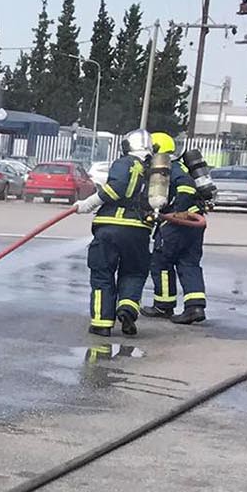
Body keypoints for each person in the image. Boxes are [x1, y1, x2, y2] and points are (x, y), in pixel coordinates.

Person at [76, 129, 155, 337]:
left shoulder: (125, 163)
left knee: (103, 275)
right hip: (139, 231)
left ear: (127, 146)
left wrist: (88, 204)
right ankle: (127, 309)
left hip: (110, 227)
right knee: (134, 273)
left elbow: (116, 188)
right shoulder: (156, 170)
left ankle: (102, 323)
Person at [145, 138, 208, 326]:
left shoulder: (170, 169)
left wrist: (176, 212)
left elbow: (186, 187)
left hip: (176, 224)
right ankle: (195, 307)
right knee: (189, 263)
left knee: (161, 261)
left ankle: (163, 305)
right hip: (194, 224)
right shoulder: (180, 166)